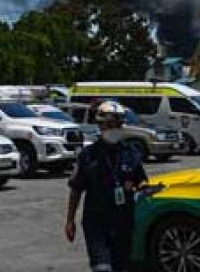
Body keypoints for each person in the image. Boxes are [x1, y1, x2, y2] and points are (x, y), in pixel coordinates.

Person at [65, 101, 148, 272]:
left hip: (124, 223)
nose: (114, 128)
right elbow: (76, 189)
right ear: (100, 125)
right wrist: (70, 220)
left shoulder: (131, 153)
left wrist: (141, 189)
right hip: (97, 223)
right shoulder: (88, 156)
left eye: (117, 124)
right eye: (109, 124)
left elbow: (142, 181)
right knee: (102, 267)